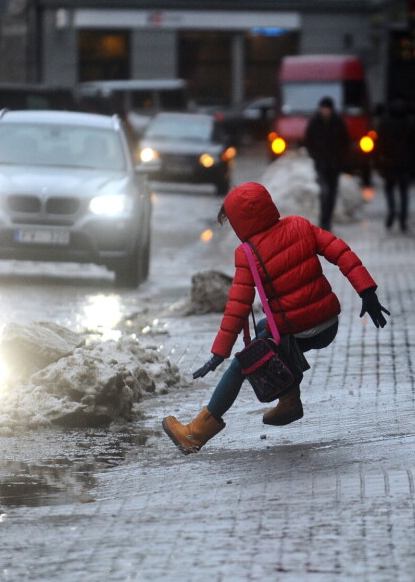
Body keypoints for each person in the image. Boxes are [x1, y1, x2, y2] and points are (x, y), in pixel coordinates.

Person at [162, 181, 390, 454]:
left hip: (297, 330)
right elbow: (341, 252)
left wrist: (219, 353)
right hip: (328, 324)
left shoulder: (247, 253)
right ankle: (290, 402)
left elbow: (238, 305)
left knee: (242, 362)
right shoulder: (299, 225)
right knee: (264, 329)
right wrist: (367, 292)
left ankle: (196, 433)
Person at [303, 96, 350, 231]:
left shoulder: (338, 122)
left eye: (326, 108)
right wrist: (315, 156)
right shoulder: (315, 122)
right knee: (324, 192)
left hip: (335, 165)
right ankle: (324, 220)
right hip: (321, 163)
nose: (324, 111)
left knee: (332, 193)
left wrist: (341, 159)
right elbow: (308, 141)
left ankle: (327, 220)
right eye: (323, 108)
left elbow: (345, 142)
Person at [374, 96, 415, 231]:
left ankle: (392, 210)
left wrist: (378, 160)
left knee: (389, 189)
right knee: (404, 192)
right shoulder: (410, 122)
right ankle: (403, 220)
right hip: (404, 161)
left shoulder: (384, 122)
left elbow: (378, 143)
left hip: (389, 161)